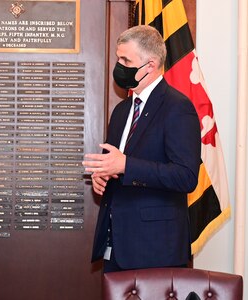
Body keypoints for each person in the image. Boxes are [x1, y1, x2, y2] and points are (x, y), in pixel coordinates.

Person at [82, 25, 201, 272]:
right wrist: (102, 177)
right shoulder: (121, 111)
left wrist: (126, 165)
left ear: (150, 65)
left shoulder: (178, 107)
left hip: (156, 249)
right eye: (118, 58)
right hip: (116, 246)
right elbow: (114, 165)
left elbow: (186, 176)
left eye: (126, 60)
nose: (119, 66)